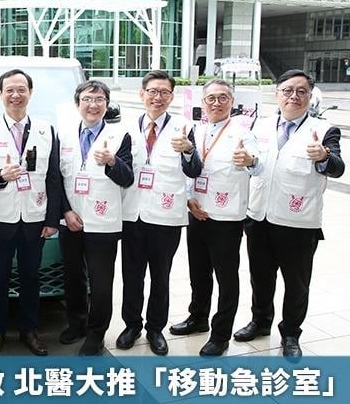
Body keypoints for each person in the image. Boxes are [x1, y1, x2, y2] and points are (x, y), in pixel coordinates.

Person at [233, 69, 344, 358]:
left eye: (301, 91)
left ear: (310, 96)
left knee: (296, 284)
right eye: (288, 90)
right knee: (260, 278)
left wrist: (324, 156)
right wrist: (248, 161)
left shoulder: (324, 130)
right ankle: (260, 322)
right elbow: (254, 164)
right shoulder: (259, 125)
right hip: (259, 218)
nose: (294, 96)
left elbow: (337, 168)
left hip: (298, 223)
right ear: (277, 94)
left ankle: (291, 333)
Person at [168, 79, 262, 356]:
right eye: (211, 98)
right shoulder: (196, 130)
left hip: (226, 217)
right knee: (198, 272)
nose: (216, 103)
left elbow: (258, 166)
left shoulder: (243, 132)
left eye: (223, 98)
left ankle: (220, 334)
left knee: (226, 277)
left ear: (232, 102)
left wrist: (251, 161)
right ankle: (198, 318)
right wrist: (189, 200)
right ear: (203, 103)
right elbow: (188, 171)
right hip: (197, 212)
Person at [0, 69, 61, 356]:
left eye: (21, 89)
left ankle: (29, 329)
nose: (15, 95)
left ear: (30, 93)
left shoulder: (46, 130)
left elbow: (53, 177)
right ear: (0, 94)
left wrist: (52, 219)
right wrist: (0, 175)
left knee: (30, 277)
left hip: (34, 218)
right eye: (9, 90)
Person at [117, 70, 202, 356]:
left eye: (164, 92)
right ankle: (131, 326)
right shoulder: (126, 127)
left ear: (171, 97)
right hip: (133, 214)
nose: (158, 97)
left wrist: (188, 150)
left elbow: (194, 170)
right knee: (132, 276)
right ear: (142, 94)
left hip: (166, 217)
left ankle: (155, 329)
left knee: (160, 276)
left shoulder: (184, 127)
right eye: (152, 91)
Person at [57, 80, 133, 356]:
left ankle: (96, 333)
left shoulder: (120, 136)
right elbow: (56, 178)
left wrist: (113, 161)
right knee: (73, 277)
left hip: (103, 222)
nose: (93, 105)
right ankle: (76, 323)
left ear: (107, 104)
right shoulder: (64, 135)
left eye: (99, 99)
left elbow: (127, 178)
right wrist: (65, 211)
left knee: (101, 283)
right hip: (71, 220)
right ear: (77, 104)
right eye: (87, 99)